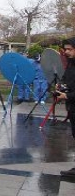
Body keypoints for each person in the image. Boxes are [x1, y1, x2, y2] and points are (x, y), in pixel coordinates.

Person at [57, 37, 75, 178]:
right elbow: (65, 78)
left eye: (70, 49)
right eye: (66, 49)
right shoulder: (70, 64)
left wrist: (67, 96)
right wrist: (61, 86)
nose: (66, 52)